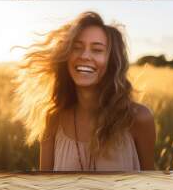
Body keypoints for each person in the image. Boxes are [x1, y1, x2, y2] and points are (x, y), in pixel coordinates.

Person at [14, 11, 155, 171]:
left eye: (97, 49)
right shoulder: (53, 120)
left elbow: (149, 183)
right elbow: (45, 187)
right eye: (76, 47)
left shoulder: (138, 119)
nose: (85, 56)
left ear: (112, 61)